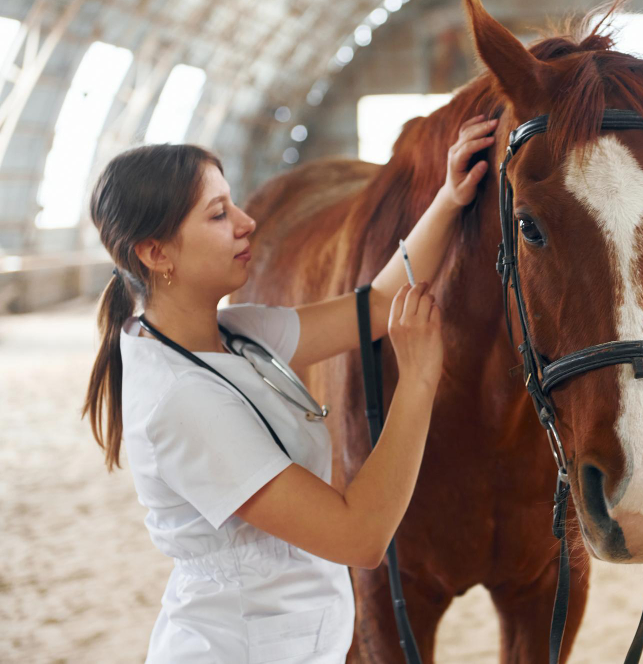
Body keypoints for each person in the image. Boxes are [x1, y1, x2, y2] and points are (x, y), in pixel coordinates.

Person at [80, 114, 499, 662]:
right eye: (218, 214)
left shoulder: (235, 333)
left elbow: (373, 305)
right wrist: (418, 380)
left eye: (233, 203)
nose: (247, 222)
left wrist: (448, 198)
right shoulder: (181, 401)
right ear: (156, 254)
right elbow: (361, 537)